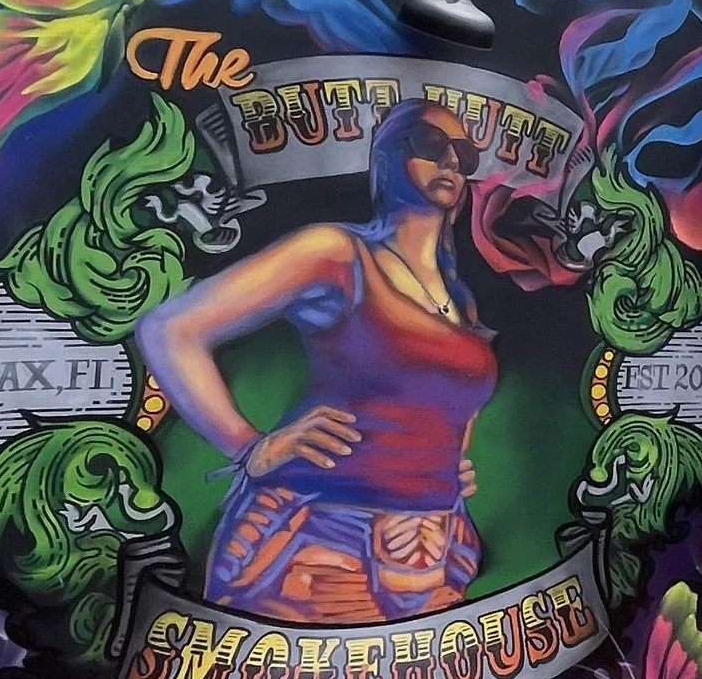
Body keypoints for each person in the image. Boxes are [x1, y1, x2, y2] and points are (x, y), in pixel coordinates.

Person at [136, 101, 496, 623]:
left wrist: (446, 460)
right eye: (430, 144)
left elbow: (451, 397)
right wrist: (250, 447)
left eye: (463, 153)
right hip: (321, 544)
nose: (451, 163)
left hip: (432, 549)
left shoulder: (459, 301)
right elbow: (169, 329)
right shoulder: (337, 252)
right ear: (388, 156)